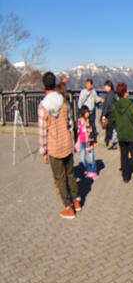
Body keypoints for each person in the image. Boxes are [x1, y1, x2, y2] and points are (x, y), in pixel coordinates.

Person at [38, 72, 80, 218]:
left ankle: (68, 208)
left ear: (43, 86)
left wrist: (43, 151)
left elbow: (42, 132)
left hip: (54, 147)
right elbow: (69, 123)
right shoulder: (63, 101)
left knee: (60, 178)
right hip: (66, 142)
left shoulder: (43, 107)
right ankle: (76, 201)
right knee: (70, 173)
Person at [109, 82, 133, 183]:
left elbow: (113, 119)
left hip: (121, 134)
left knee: (123, 156)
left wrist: (118, 126)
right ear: (124, 93)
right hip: (131, 134)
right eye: (126, 90)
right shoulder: (131, 105)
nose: (128, 92)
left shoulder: (115, 106)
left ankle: (125, 177)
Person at [77, 106, 99, 179]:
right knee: (82, 159)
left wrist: (94, 141)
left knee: (92, 158)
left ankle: (94, 172)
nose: (88, 114)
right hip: (82, 143)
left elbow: (93, 132)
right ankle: (89, 170)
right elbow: (76, 132)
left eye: (88, 112)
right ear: (83, 113)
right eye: (86, 112)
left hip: (89, 142)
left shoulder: (90, 122)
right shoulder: (78, 122)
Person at [100, 80, 118, 148]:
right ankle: (112, 142)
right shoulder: (111, 94)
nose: (104, 87)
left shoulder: (109, 95)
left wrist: (103, 116)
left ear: (109, 86)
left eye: (105, 86)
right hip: (112, 113)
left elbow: (107, 106)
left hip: (110, 114)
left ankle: (112, 142)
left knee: (111, 128)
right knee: (112, 128)